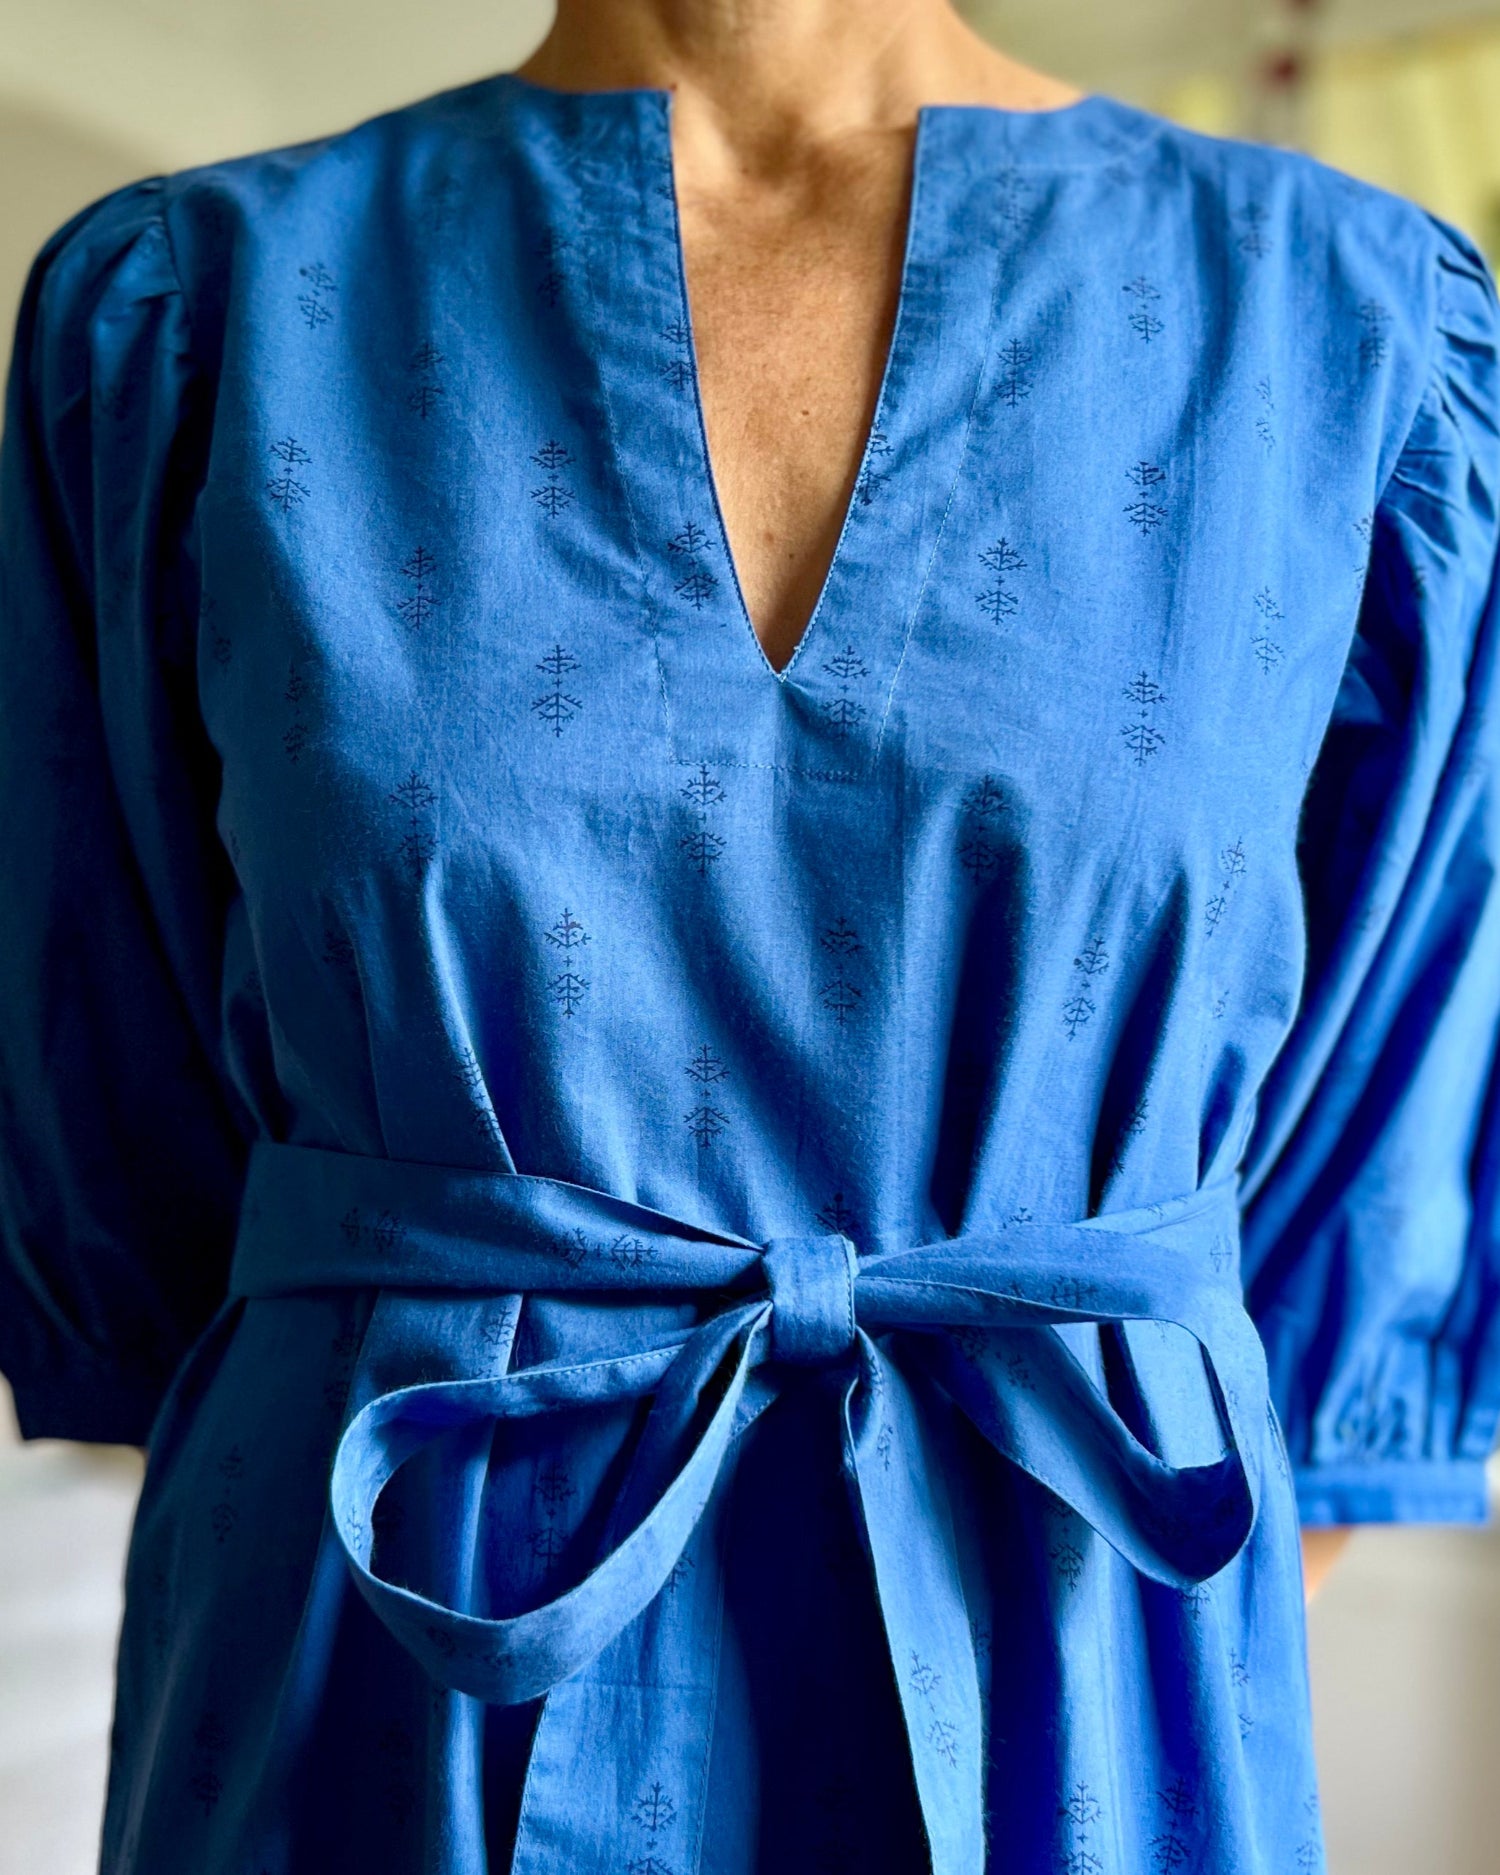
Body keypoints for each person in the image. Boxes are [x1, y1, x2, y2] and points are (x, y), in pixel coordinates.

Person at [1, 0, 1497, 1868]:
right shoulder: (189, 313)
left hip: (1070, 1673)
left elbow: (1361, 1226)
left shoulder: (1355, 330)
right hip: (388, 1698)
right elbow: (132, 1191)